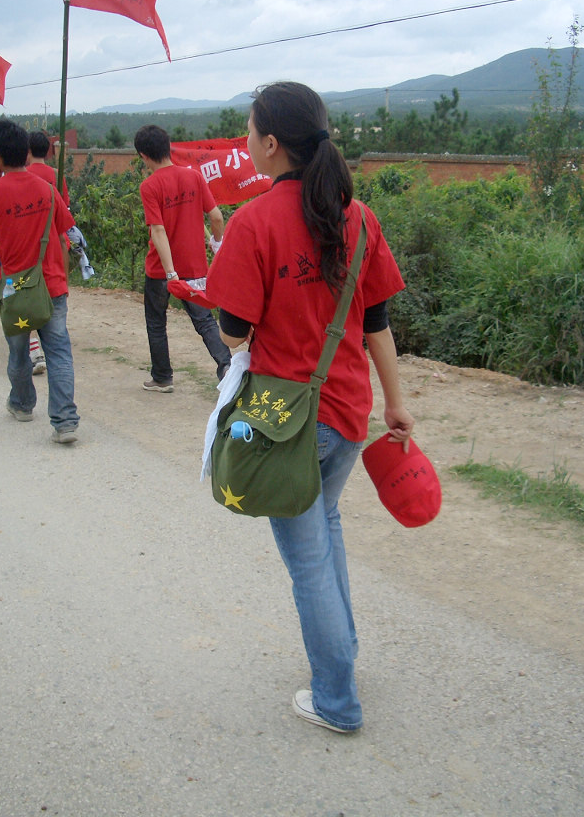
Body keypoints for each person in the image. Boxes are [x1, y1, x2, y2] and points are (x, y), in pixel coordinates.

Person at [205, 81, 415, 734]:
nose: (245, 139)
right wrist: (397, 406)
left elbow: (234, 332)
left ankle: (337, 699)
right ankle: (342, 657)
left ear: (270, 144)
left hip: (286, 423)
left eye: (248, 129)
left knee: (307, 560)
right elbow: (376, 320)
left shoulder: (252, 221)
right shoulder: (359, 217)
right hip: (350, 412)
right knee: (324, 528)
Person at [0, 119, 80, 444]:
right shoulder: (47, 190)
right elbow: (62, 235)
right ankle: (66, 422)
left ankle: (23, 404)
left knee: (19, 353)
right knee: (59, 353)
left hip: (16, 289)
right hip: (53, 285)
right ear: (27, 153)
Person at [135, 124, 231, 392]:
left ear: (143, 155)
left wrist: (169, 273)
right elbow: (216, 216)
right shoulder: (195, 177)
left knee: (156, 323)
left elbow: (157, 229)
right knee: (204, 321)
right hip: (195, 266)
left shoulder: (150, 186)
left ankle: (162, 377)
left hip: (160, 270)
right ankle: (226, 367)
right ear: (168, 148)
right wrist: (217, 243)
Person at [26, 130, 70, 375]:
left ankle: (34, 346)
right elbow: (65, 208)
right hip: (57, 241)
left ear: (28, 151)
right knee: (54, 292)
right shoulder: (56, 175)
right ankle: (52, 338)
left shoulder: (22, 176)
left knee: (28, 295)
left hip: (29, 244)